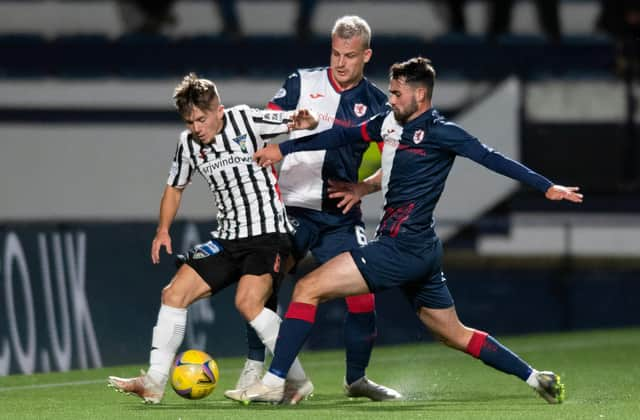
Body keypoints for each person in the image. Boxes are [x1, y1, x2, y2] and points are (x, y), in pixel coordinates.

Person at [229, 56, 582, 404]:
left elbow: (493, 158)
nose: (391, 98)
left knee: (307, 288)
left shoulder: (443, 133)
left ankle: (276, 381)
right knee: (454, 334)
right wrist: (283, 147)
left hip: (401, 247)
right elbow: (339, 137)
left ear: (421, 96)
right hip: (423, 249)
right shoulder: (388, 123)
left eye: (397, 93)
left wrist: (546, 186)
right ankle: (536, 378)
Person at [107, 73, 319, 404]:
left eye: (202, 119)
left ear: (219, 110)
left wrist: (306, 119)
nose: (196, 128)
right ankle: (154, 381)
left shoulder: (247, 119)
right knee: (173, 293)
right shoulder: (187, 144)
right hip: (228, 239)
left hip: (268, 235)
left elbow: (296, 119)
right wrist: (163, 230)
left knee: (248, 303)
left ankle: (296, 381)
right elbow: (175, 188)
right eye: (190, 121)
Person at [224, 15, 402, 403]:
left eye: (350, 56)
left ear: (366, 55)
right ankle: (255, 371)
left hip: (339, 218)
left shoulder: (378, 105)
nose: (340, 63)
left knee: (363, 297)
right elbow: (264, 124)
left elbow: (396, 166)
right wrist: (283, 127)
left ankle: (357, 380)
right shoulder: (301, 82)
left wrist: (363, 187)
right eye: (336, 53)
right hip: (288, 210)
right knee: (262, 287)